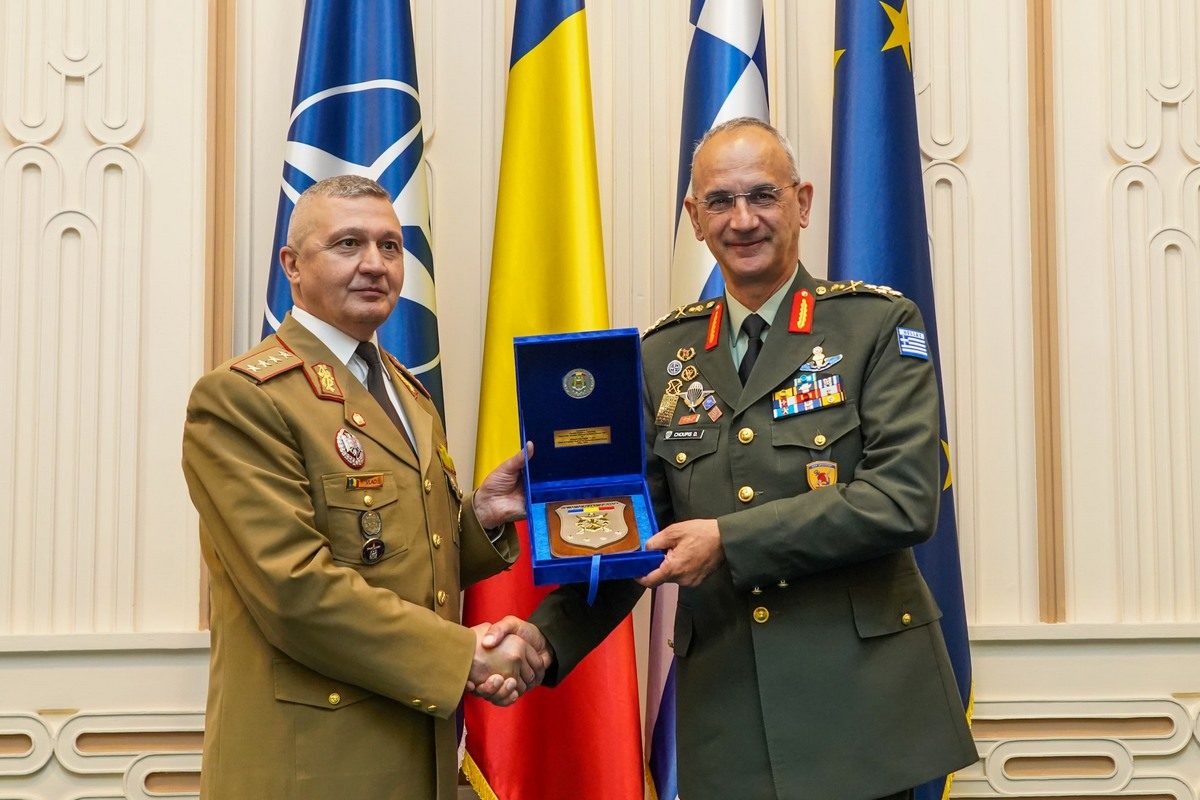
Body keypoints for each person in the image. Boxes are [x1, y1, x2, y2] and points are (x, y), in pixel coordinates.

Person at [484, 118, 978, 799]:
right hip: (729, 716)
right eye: (720, 201)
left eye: (763, 195)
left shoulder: (877, 327)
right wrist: (543, 641)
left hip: (859, 713)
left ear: (802, 203)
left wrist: (727, 539)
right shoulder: (662, 356)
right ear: (695, 217)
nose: (743, 220)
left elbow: (903, 500)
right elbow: (638, 537)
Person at [182, 175, 548, 800]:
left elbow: (394, 555)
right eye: (348, 243)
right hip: (312, 764)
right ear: (292, 265)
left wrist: (480, 518)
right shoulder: (242, 399)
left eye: (391, 246)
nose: (375, 264)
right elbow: (296, 590)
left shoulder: (406, 392)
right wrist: (464, 655)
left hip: (415, 747)